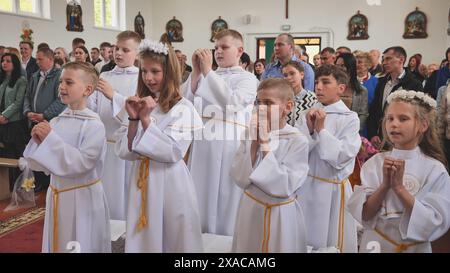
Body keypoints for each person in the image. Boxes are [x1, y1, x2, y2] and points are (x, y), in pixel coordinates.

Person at [115, 39, 203, 252]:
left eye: (155, 71)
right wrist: (134, 119)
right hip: (142, 180)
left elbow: (172, 151)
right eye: (144, 71)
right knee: (144, 235)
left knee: (172, 236)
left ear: (170, 73)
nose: (149, 78)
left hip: (170, 182)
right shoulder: (138, 101)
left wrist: (146, 120)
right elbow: (124, 150)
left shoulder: (183, 107)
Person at [23, 61, 110, 253]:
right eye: (61, 81)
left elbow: (82, 163)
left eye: (69, 82)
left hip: (82, 197)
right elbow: (43, 165)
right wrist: (39, 142)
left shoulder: (94, 125)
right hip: (57, 194)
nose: (62, 86)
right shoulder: (57, 120)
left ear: (87, 89)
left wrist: (50, 140)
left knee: (81, 243)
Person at [348, 90, 450, 253]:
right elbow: (365, 215)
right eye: (390, 118)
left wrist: (399, 188)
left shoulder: (434, 170)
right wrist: (385, 186)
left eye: (403, 119)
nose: (394, 124)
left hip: (413, 247)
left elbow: (433, 222)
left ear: (423, 125)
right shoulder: (374, 163)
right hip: (376, 244)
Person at [183, 29, 258, 236]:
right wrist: (196, 73)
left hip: (229, 142)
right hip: (202, 142)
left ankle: (225, 239)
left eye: (224, 47)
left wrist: (208, 72)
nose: (218, 52)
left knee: (225, 193)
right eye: (215, 47)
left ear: (240, 50)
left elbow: (232, 104)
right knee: (201, 189)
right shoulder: (207, 75)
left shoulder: (248, 79)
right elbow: (184, 103)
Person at [230, 78, 309, 253]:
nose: (261, 108)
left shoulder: (297, 140)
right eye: (259, 102)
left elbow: (284, 186)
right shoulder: (248, 133)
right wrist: (253, 145)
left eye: (269, 103)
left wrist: (265, 145)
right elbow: (239, 178)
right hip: (251, 209)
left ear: (287, 107)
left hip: (280, 214)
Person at [295, 64, 360, 253]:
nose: (319, 87)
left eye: (325, 82)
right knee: (304, 236)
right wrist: (308, 128)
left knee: (330, 240)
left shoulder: (349, 118)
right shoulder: (306, 114)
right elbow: (297, 151)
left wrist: (321, 130)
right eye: (316, 82)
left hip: (331, 189)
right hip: (306, 185)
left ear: (341, 88)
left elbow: (341, 157)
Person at [88, 31, 140, 221]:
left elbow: (137, 111)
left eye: (125, 50)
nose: (118, 53)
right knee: (105, 193)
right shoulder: (105, 75)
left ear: (137, 53)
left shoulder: (141, 78)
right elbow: (96, 108)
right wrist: (85, 98)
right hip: (104, 144)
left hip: (126, 145)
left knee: (125, 195)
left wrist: (114, 96)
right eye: (116, 48)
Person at [23, 47, 66, 193]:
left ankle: (47, 182)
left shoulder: (58, 75)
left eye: (40, 59)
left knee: (47, 153)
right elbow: (28, 96)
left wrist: (45, 115)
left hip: (49, 122)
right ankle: (38, 181)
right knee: (35, 152)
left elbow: (61, 100)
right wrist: (28, 111)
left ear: (50, 59)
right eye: (37, 58)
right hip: (34, 120)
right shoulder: (35, 75)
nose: (37, 61)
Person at [367, 46, 423, 149]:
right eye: (383, 59)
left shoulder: (414, 84)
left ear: (401, 60)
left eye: (388, 59)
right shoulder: (382, 82)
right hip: (381, 136)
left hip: (402, 136)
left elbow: (416, 114)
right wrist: (372, 134)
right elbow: (374, 109)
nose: (384, 62)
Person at [0, 53, 28, 191]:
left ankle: (18, 185)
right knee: (5, 153)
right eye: (3, 61)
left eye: (8, 61)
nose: (4, 63)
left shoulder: (20, 80)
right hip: (2, 122)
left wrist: (4, 116)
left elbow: (18, 102)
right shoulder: (3, 79)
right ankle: (7, 184)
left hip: (14, 123)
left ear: (15, 64)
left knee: (15, 154)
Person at [335, 53, 369, 134]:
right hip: (332, 130)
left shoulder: (361, 90)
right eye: (337, 65)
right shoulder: (331, 87)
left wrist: (353, 130)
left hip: (352, 132)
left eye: (342, 65)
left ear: (350, 67)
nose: (338, 68)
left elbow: (363, 114)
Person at [282, 61, 317, 126]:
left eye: (292, 73)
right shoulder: (280, 98)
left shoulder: (313, 98)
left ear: (302, 75)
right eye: (285, 75)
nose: (289, 78)